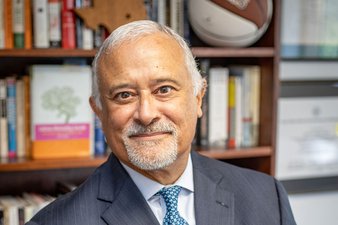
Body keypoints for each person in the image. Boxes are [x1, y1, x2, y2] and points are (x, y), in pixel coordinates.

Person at [26, 20, 296, 225]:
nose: (146, 114)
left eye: (164, 89)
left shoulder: (267, 197)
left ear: (198, 98)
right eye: (124, 95)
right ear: (99, 112)